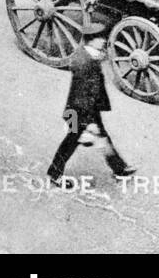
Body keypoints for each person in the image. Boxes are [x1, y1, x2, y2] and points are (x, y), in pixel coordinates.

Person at [46, 19, 136, 186]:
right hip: (79, 112)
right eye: (101, 39)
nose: (103, 41)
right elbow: (82, 96)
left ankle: (120, 169)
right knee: (70, 142)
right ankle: (54, 174)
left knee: (101, 138)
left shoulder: (87, 56)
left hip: (84, 109)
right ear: (93, 40)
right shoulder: (85, 62)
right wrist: (89, 123)